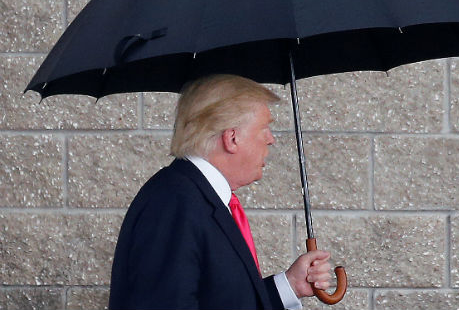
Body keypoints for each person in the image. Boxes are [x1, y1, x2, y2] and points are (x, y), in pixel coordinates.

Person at [109, 74, 332, 310]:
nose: (271, 140)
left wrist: (290, 285)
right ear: (232, 138)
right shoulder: (174, 204)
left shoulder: (196, 197)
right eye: (265, 128)